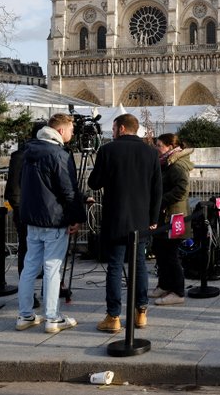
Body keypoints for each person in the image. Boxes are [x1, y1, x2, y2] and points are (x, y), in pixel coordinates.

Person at [87, 114, 162, 333]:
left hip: (116, 218)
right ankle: (141, 312)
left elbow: (94, 182)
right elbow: (157, 189)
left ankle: (113, 316)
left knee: (115, 266)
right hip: (141, 220)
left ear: (121, 128)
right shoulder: (150, 153)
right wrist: (154, 219)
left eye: (113, 128)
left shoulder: (108, 151)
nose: (112, 132)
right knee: (139, 265)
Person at [14, 114, 85, 333]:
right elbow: (68, 190)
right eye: (71, 130)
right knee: (52, 269)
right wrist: (77, 217)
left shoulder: (29, 151)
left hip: (32, 219)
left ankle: (25, 315)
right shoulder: (58, 154)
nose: (73, 134)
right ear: (61, 131)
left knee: (29, 268)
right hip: (54, 220)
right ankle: (52, 317)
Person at [150, 133, 194, 306]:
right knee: (161, 250)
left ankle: (177, 291)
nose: (156, 148)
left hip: (174, 215)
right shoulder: (168, 163)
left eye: (159, 145)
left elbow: (181, 190)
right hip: (167, 214)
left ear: (169, 147)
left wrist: (160, 200)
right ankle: (165, 284)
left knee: (170, 254)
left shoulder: (176, 166)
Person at [4, 121, 47, 277]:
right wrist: (20, 209)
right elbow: (14, 188)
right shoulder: (21, 155)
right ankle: (27, 291)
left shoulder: (41, 153)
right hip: (25, 212)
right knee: (26, 249)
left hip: (39, 211)